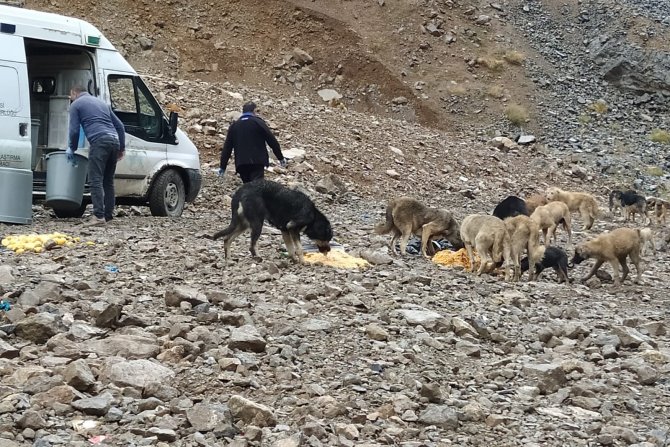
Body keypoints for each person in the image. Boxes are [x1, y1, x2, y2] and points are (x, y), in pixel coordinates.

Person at [67, 85, 125, 226]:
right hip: (114, 141)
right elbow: (120, 126)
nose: (70, 99)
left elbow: (74, 130)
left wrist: (71, 148)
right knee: (108, 181)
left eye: (70, 96)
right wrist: (121, 148)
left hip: (99, 141)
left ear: (74, 92)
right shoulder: (102, 103)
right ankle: (108, 215)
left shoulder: (76, 104)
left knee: (95, 179)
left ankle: (98, 216)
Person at [219, 102, 287, 183]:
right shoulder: (258, 122)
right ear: (254, 111)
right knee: (257, 187)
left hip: (241, 163)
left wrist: (222, 167)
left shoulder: (234, 126)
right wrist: (280, 158)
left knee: (247, 187)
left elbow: (227, 148)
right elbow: (272, 141)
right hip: (257, 162)